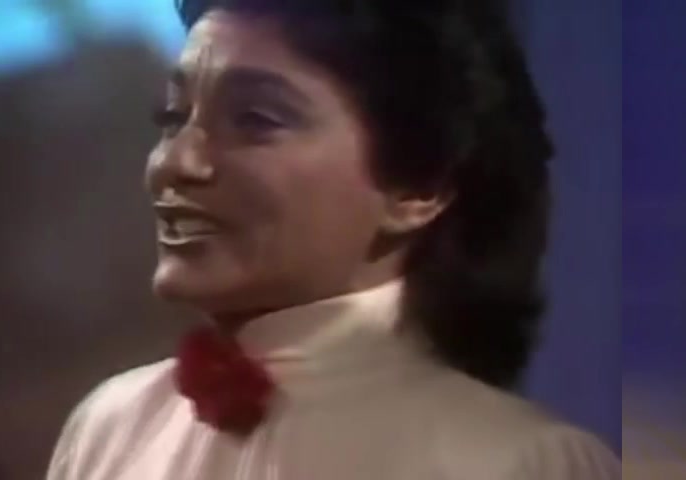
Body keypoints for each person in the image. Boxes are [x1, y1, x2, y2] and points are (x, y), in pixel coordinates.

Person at [46, 0, 620, 478]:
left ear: (417, 188)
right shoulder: (111, 426)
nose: (175, 163)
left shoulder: (521, 462)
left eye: (255, 119)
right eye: (173, 118)